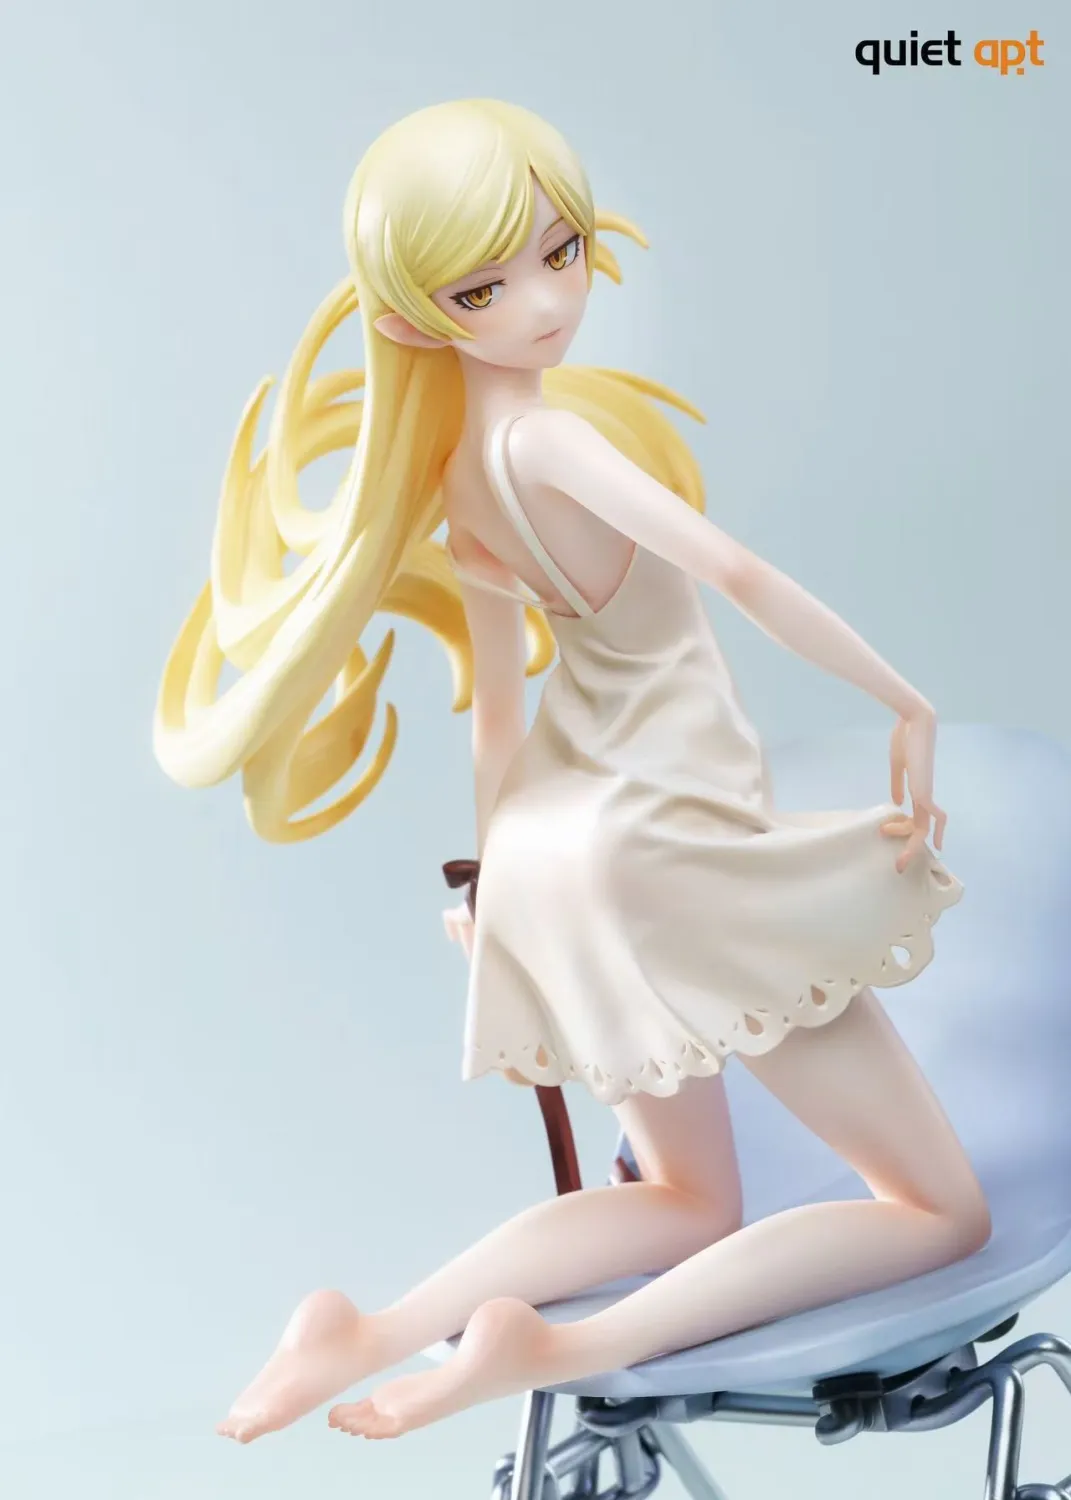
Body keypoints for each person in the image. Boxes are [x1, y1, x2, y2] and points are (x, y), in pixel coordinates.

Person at [154, 98, 990, 1445]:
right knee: (941, 1211)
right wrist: (904, 700)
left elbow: (497, 717)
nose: (546, 302)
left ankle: (370, 1331)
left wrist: (497, 886)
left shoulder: (454, 481)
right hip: (661, 847)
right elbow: (738, 572)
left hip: (555, 847)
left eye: (561, 252)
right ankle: (564, 1342)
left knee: (685, 1200)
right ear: (412, 321)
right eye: (485, 287)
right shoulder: (548, 443)